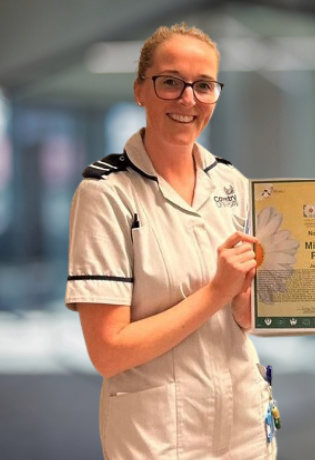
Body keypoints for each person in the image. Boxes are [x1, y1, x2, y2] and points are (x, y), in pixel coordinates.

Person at [65, 24, 276, 459]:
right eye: (170, 82)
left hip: (243, 427)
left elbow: (245, 317)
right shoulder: (106, 194)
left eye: (203, 86)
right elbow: (108, 351)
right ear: (140, 89)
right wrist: (217, 291)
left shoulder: (233, 183)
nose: (188, 100)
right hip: (158, 435)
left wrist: (246, 304)